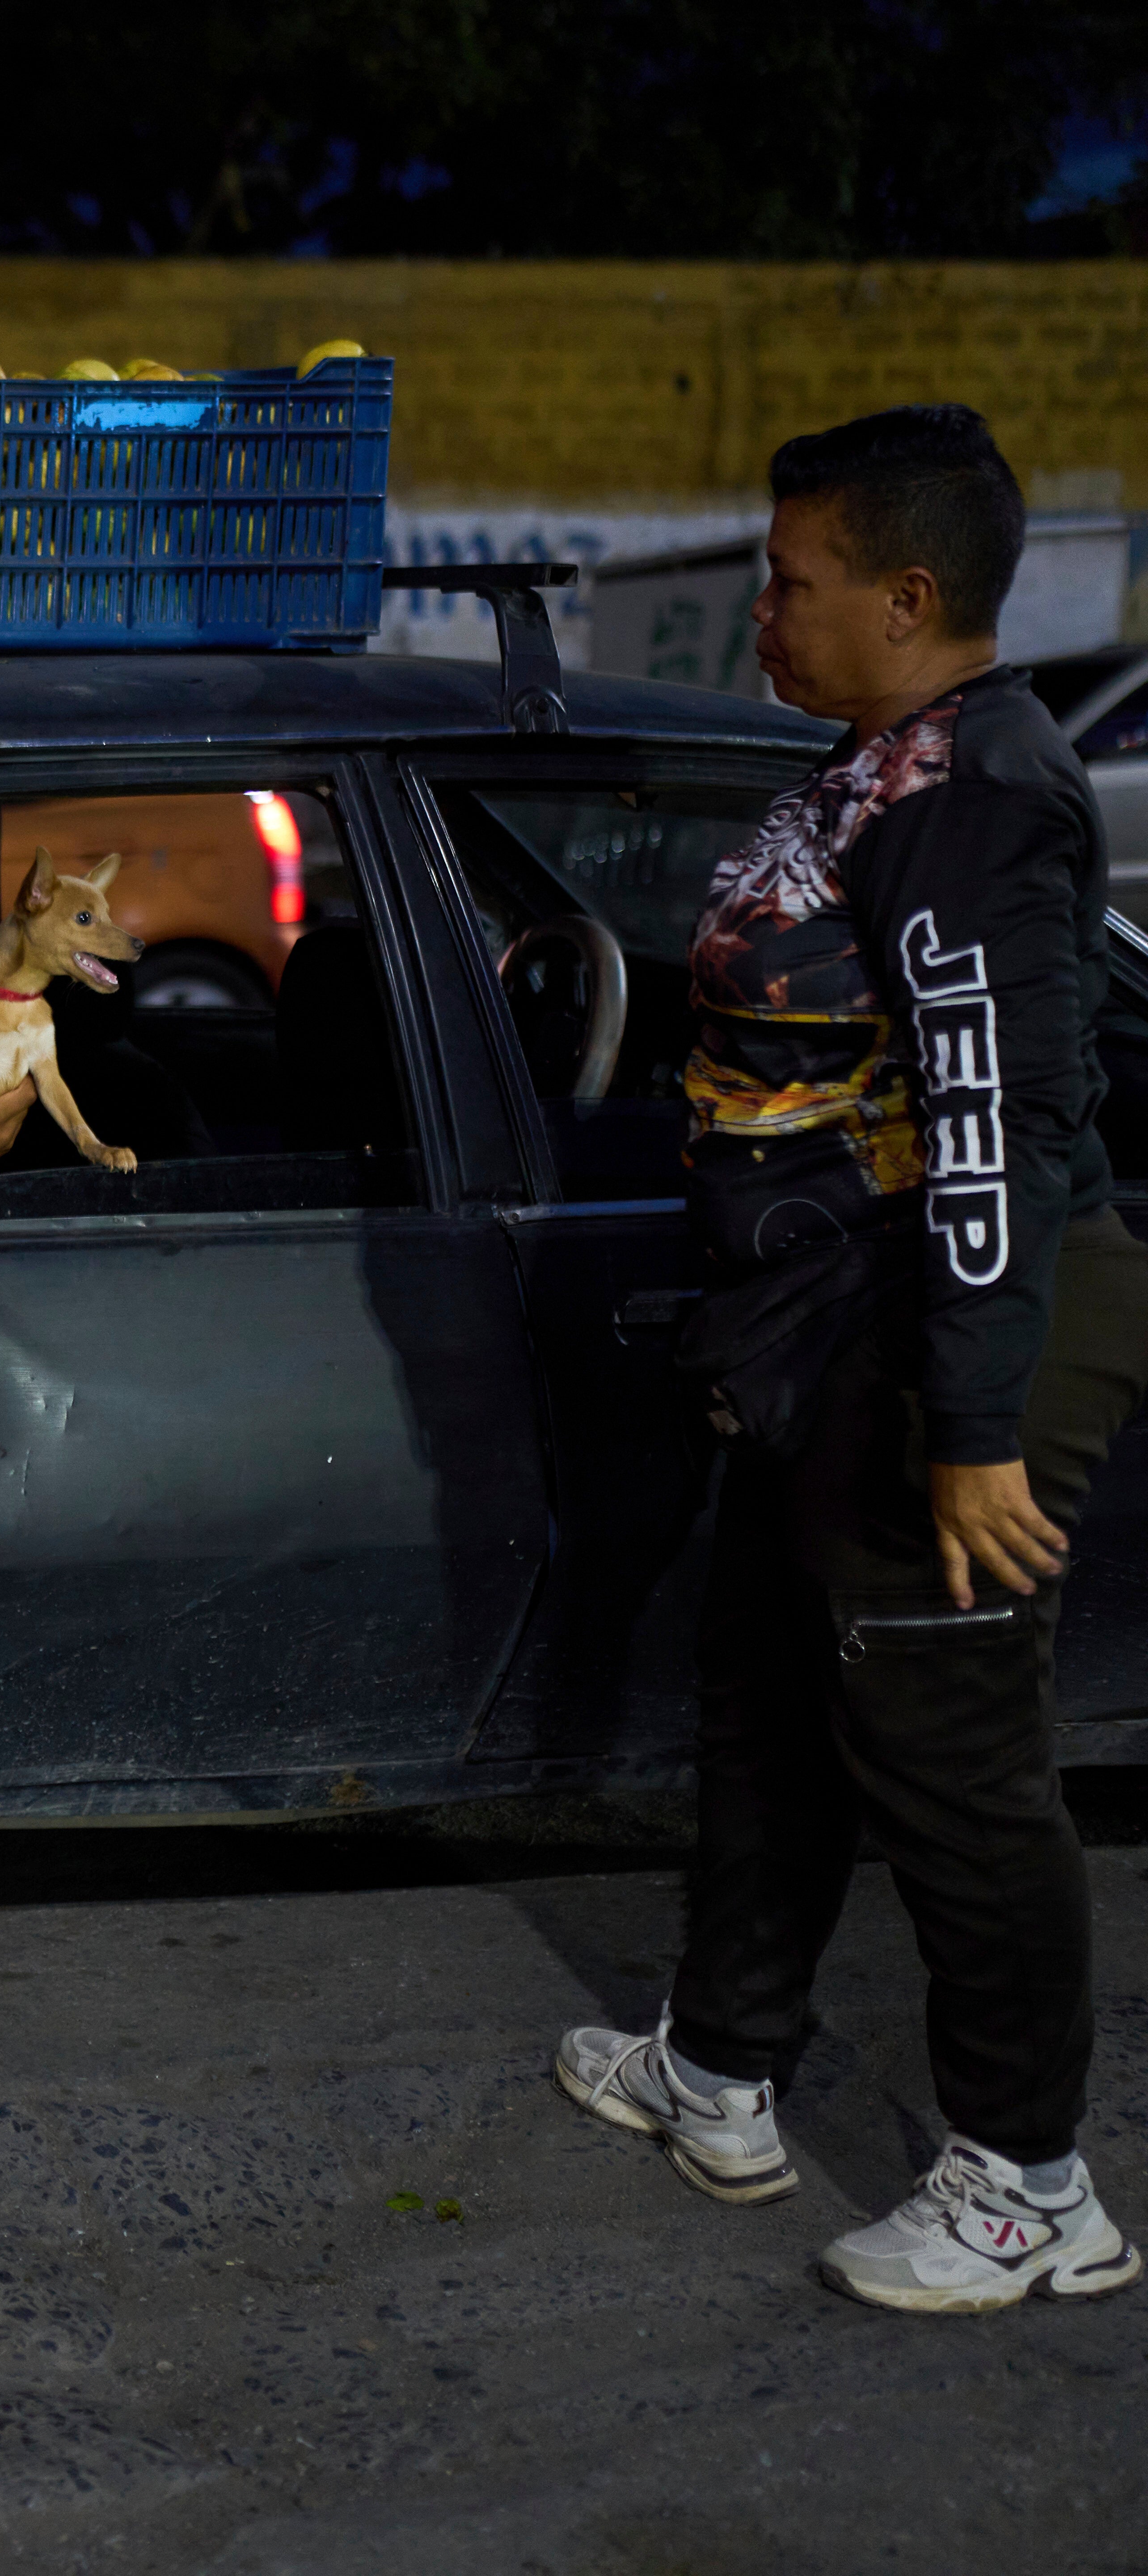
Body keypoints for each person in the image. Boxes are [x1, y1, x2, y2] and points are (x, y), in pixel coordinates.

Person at [553, 405, 1148, 2313]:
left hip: (956, 1335)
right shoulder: (872, 768)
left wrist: (971, 1426)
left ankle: (1028, 2184)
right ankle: (717, 2063)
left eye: (788, 578)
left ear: (907, 592)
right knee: (764, 1698)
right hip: (826, 1332)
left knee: (952, 1758)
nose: (757, 609)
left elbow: (998, 1108)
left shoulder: (970, 794)